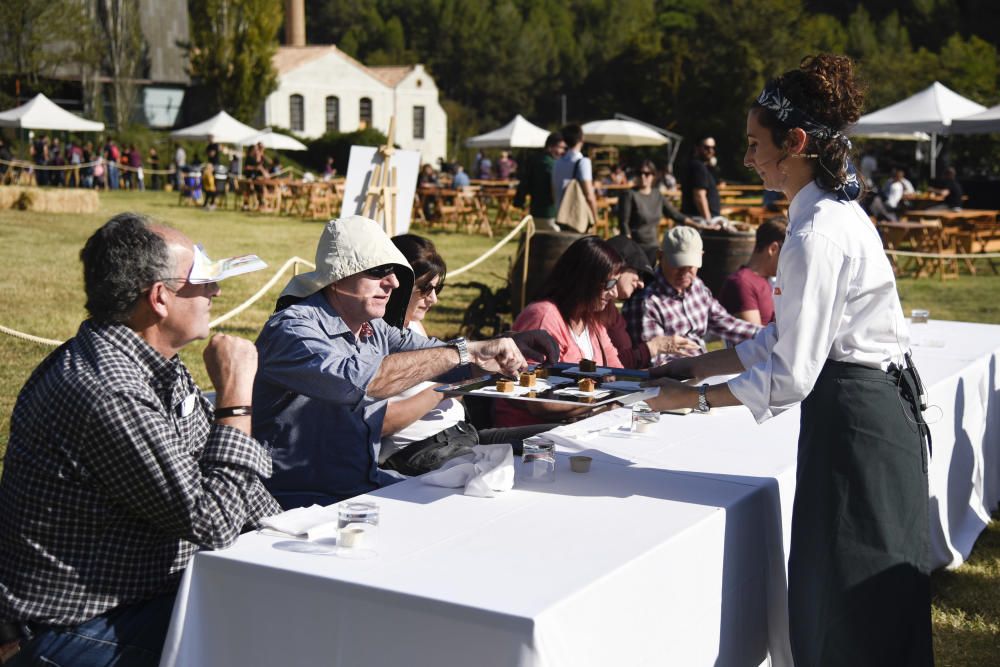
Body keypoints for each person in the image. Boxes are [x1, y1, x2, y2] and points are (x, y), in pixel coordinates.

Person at [645, 54, 933, 666]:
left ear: (796, 142)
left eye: (755, 144)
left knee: (851, 593)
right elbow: (787, 340)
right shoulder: (827, 215)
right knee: (853, 590)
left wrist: (691, 402)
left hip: (858, 422)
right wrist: (701, 365)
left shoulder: (814, 234)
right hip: (865, 412)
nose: (747, 158)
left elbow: (793, 374)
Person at [0, 214, 279, 666]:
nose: (215, 292)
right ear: (160, 297)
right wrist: (235, 399)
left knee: (283, 609)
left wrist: (299, 534)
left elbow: (223, 474)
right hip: (73, 628)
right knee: (268, 638)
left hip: (140, 598)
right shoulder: (109, 391)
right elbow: (214, 522)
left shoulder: (154, 365)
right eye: (204, 280)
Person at [252, 215, 557, 509]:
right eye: (378, 271)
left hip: (361, 487)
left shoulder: (374, 328)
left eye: (395, 272)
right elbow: (364, 382)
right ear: (337, 278)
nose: (394, 283)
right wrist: (466, 354)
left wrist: (504, 344)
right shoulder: (293, 329)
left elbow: (442, 355)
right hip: (298, 501)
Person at [378, 234, 553, 475]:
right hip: (420, 450)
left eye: (437, 288)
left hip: (463, 435)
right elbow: (382, 423)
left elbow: (456, 385)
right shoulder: (375, 337)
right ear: (399, 286)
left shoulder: (414, 325)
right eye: (425, 289)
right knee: (517, 475)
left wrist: (487, 366)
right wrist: (441, 390)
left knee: (559, 441)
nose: (434, 299)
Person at [495, 236, 625, 427]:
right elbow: (538, 402)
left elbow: (618, 374)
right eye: (609, 284)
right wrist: (603, 400)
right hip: (532, 435)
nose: (614, 293)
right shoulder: (544, 317)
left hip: (578, 426)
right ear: (585, 281)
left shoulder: (592, 319)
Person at [623, 226, 760, 365]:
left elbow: (727, 324)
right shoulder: (646, 302)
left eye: (691, 266)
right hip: (675, 378)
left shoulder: (697, 286)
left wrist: (767, 335)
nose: (684, 273)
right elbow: (655, 363)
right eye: (678, 265)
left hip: (701, 369)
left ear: (701, 256)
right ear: (660, 256)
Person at [603, 235, 698, 368]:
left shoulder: (610, 312)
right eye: (639, 273)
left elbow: (617, 363)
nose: (641, 284)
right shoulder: (594, 309)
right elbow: (610, 364)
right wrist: (654, 346)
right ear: (616, 267)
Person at [717, 217, 787, 325]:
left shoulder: (770, 281)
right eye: (788, 256)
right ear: (773, 249)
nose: (790, 263)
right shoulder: (742, 283)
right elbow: (754, 337)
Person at [618, 159, 692, 260]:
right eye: (639, 173)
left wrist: (699, 224)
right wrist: (629, 249)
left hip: (654, 247)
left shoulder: (657, 194)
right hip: (635, 248)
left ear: (653, 175)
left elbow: (675, 214)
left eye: (647, 173)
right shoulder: (629, 194)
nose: (643, 176)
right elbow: (623, 223)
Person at [513, 131, 565, 231]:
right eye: (560, 147)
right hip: (549, 214)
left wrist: (520, 201)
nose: (562, 151)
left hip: (535, 212)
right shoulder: (550, 164)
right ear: (550, 147)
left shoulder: (535, 160)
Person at [552, 124, 599, 227]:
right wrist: (595, 218)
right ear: (582, 139)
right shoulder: (583, 162)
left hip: (561, 215)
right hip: (578, 217)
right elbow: (589, 195)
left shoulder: (557, 163)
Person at [681, 136, 722, 222]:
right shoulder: (698, 166)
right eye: (706, 147)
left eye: (713, 148)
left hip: (697, 217)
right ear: (697, 148)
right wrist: (708, 221)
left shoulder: (696, 165)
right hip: (700, 219)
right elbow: (699, 195)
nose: (711, 150)